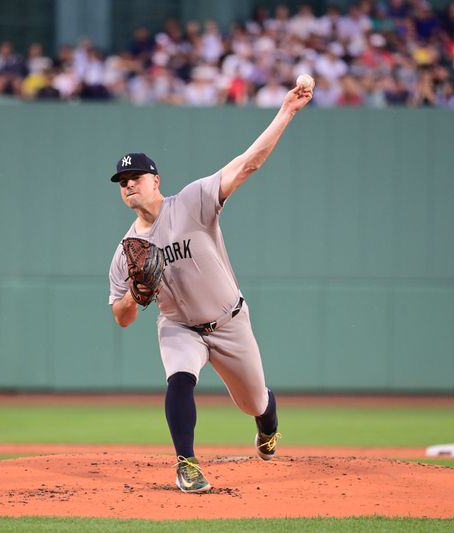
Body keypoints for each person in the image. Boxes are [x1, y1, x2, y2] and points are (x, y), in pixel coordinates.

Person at [107, 82, 313, 493]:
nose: (129, 184)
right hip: (179, 326)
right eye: (122, 180)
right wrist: (136, 293)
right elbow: (122, 317)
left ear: (155, 179)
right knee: (179, 378)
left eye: (136, 177)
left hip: (229, 321)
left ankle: (267, 425)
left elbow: (248, 163)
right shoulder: (127, 251)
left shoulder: (193, 201)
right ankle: (186, 464)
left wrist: (286, 111)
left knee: (254, 402)